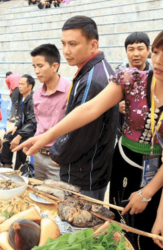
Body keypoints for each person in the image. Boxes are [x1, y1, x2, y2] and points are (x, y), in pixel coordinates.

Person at [14, 31, 163, 250]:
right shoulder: (133, 79)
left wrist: (148, 194)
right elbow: (91, 108)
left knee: (151, 234)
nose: (157, 60)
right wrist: (48, 135)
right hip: (126, 164)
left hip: (157, 174)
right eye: (157, 52)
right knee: (121, 226)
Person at [49, 16, 117, 201]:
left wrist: (56, 153)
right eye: (63, 44)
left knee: (78, 224)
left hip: (84, 172)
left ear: (93, 45)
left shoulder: (92, 80)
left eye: (72, 44)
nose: (66, 51)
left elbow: (80, 129)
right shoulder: (95, 70)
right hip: (93, 168)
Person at [30, 43, 71, 181]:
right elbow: (39, 124)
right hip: (38, 155)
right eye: (34, 67)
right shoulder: (36, 95)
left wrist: (63, 154)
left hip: (58, 158)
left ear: (55, 66)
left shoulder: (71, 91)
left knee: (56, 199)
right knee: (39, 196)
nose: (36, 71)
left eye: (40, 66)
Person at [117, 32, 152, 139]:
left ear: (148, 50)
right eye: (131, 49)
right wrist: (117, 106)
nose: (136, 54)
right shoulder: (119, 74)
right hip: (125, 134)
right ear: (126, 52)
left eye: (140, 48)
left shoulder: (156, 72)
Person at [0, 74, 36, 170]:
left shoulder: (33, 100)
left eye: (22, 84)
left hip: (32, 131)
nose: (19, 86)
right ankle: (6, 164)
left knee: (21, 142)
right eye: (19, 84)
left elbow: (32, 123)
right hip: (24, 128)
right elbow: (20, 116)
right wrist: (16, 126)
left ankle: (19, 169)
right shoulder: (23, 98)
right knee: (7, 136)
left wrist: (19, 136)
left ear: (30, 86)